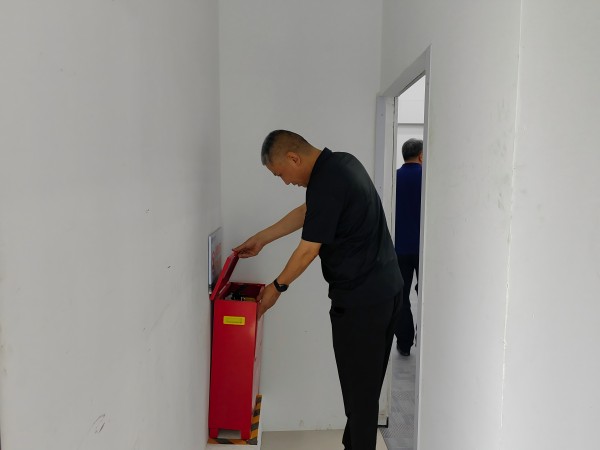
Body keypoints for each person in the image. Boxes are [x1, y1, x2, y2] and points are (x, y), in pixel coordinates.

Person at [234, 130, 402, 450]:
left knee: (360, 399)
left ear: (293, 158)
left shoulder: (327, 182)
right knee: (363, 392)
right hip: (385, 292)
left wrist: (275, 288)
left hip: (362, 303)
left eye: (281, 174)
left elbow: (308, 251)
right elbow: (308, 212)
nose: (286, 182)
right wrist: (263, 238)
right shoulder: (341, 164)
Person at [394, 138, 423, 356]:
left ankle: (404, 344)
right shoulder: (429, 178)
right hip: (425, 250)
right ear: (421, 156)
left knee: (401, 298)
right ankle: (425, 341)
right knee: (427, 296)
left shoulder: (393, 177)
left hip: (399, 248)